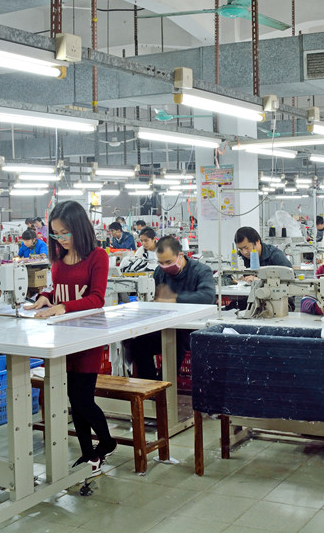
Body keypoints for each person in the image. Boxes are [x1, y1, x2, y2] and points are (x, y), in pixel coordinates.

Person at [24, 200, 116, 475]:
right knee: (73, 400)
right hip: (62, 336)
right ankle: (89, 455)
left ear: (80, 228)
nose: (61, 239)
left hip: (87, 336)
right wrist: (45, 297)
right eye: (56, 234)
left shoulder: (97, 256)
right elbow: (59, 290)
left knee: (83, 398)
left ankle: (107, 442)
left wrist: (63, 306)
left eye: (65, 233)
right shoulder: (57, 257)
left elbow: (96, 298)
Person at [124, 236, 214, 380]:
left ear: (180, 255)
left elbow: (207, 297)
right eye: (161, 262)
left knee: (176, 341)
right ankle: (150, 385)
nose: (165, 266)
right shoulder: (160, 272)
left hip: (191, 330)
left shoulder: (201, 271)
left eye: (168, 262)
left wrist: (174, 299)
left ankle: (165, 383)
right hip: (166, 327)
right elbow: (155, 298)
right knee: (137, 343)